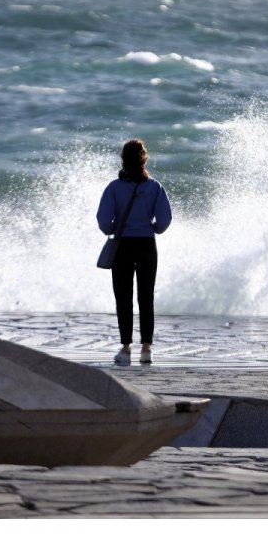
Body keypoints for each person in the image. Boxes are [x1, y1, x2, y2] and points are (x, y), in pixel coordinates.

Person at [96, 139, 172, 366]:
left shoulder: (113, 187)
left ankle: (126, 348)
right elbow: (165, 219)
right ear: (144, 158)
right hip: (147, 244)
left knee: (123, 297)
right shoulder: (154, 187)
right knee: (146, 297)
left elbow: (103, 221)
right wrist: (154, 228)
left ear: (123, 159)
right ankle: (146, 349)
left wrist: (112, 228)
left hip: (123, 246)